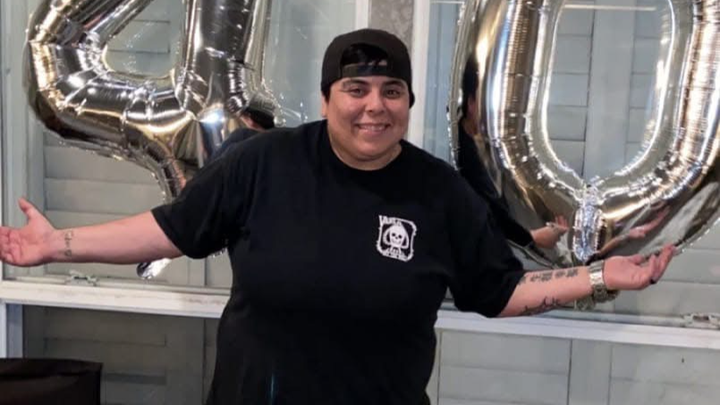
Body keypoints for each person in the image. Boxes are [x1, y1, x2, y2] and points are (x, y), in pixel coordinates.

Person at [0, 29, 675, 405]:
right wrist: (57, 245)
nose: (374, 106)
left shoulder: (439, 193)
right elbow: (172, 228)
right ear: (327, 99)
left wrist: (600, 277)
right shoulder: (264, 163)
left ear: (407, 103)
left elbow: (497, 291)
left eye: (391, 90)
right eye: (356, 88)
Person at [456, 57, 569, 249]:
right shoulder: (461, 158)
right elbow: (479, 222)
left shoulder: (483, 147)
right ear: (471, 103)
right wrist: (532, 238)